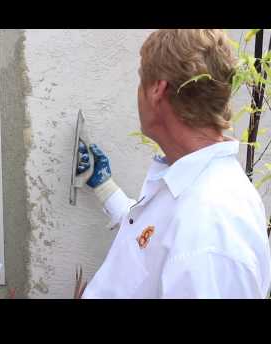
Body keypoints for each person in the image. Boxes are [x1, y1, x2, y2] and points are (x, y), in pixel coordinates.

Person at [77, 29, 271, 299]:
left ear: (158, 89)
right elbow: (155, 247)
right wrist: (106, 189)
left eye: (140, 80)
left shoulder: (210, 230)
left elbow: (185, 242)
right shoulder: (191, 186)